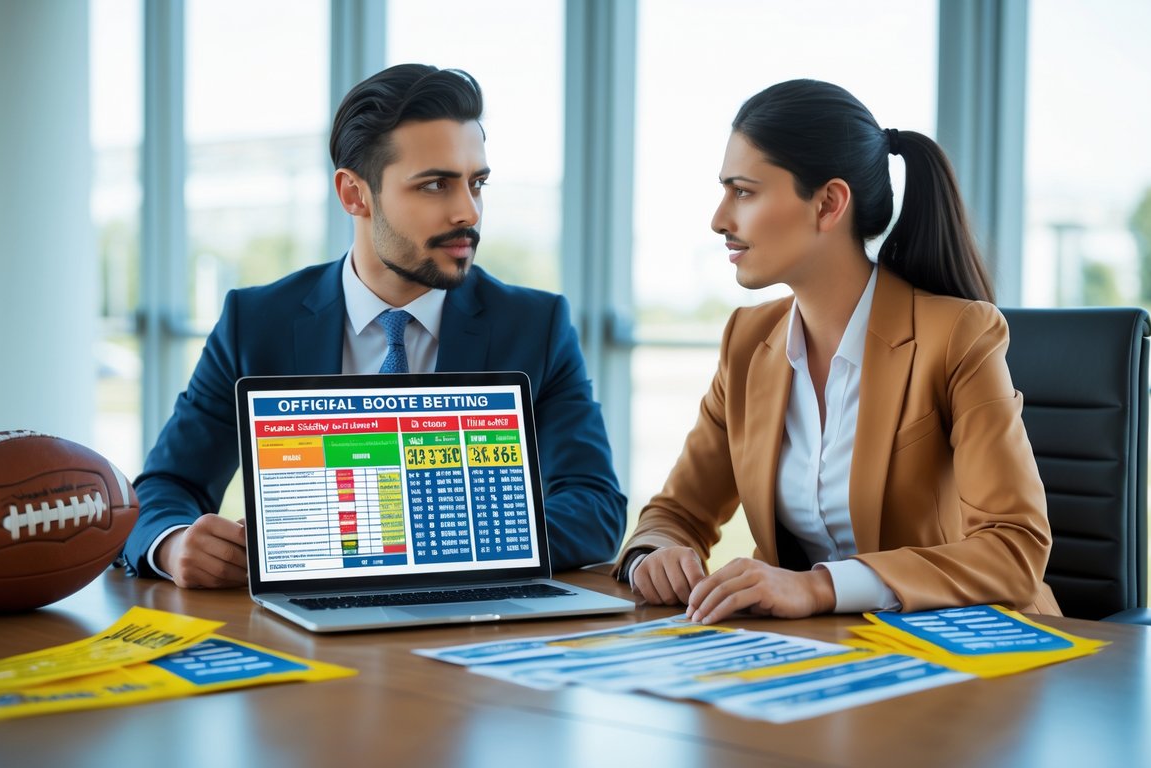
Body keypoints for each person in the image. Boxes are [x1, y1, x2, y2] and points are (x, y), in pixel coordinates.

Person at [123, 63, 626, 587]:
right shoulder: (254, 323)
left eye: (476, 183)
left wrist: (407, 539)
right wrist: (174, 544)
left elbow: (594, 507)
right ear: (354, 195)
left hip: (475, 621)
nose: (468, 212)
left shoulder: (535, 326)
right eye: (435, 185)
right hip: (300, 626)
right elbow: (165, 487)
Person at [615, 79, 1060, 622]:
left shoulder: (958, 336)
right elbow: (677, 512)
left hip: (968, 647)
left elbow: (1014, 549)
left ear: (828, 204)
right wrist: (654, 553)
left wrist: (820, 587)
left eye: (744, 192)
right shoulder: (747, 342)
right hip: (828, 651)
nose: (719, 219)